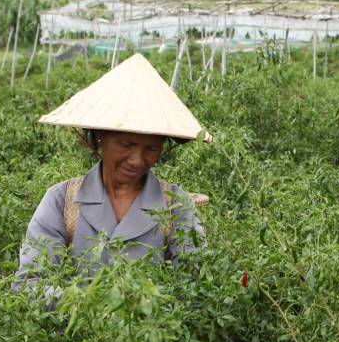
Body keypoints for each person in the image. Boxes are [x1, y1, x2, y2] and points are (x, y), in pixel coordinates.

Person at [13, 53, 209, 294]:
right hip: (75, 330)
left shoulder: (176, 204)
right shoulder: (62, 199)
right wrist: (86, 305)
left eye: (151, 148)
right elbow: (31, 283)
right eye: (126, 145)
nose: (137, 161)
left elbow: (194, 284)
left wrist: (147, 308)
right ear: (100, 136)